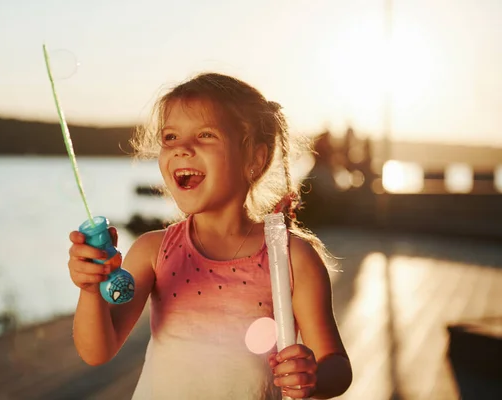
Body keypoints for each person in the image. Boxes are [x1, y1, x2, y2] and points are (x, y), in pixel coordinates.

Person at [67, 73, 352, 399]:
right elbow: (97, 351)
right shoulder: (153, 251)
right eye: (170, 137)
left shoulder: (292, 258)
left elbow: (337, 365)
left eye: (205, 135)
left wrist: (314, 375)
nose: (182, 149)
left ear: (255, 160)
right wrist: (91, 289)